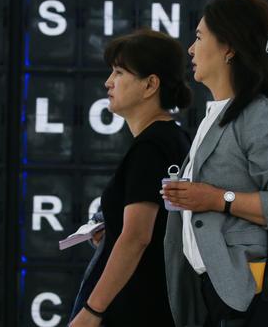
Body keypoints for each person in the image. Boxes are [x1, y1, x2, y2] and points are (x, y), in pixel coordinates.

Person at [162, 0, 268, 327]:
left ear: (228, 47)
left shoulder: (262, 116)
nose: (191, 49)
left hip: (247, 294)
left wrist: (216, 199)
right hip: (209, 291)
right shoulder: (215, 116)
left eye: (199, 37)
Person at [69, 29, 192, 327]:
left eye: (119, 72)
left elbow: (136, 237)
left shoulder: (151, 147)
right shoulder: (174, 138)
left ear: (150, 84)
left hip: (137, 309)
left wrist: (91, 312)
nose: (108, 82)